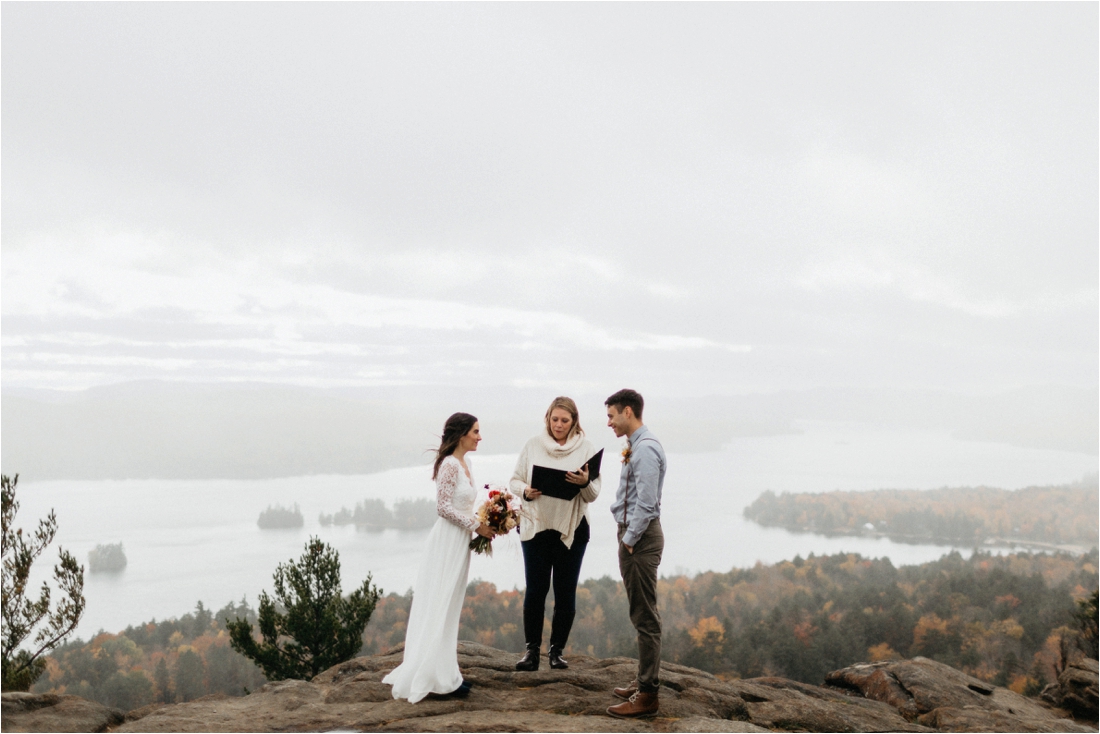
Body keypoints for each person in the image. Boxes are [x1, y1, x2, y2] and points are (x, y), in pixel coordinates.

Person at [382, 413, 495, 702]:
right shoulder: (448, 465)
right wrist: (475, 525)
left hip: (460, 541)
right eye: (476, 432)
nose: (480, 437)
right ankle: (432, 678)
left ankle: (447, 674)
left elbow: (464, 504)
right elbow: (443, 508)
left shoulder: (466, 463)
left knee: (451, 606)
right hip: (446, 541)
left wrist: (491, 517)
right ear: (461, 435)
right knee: (440, 604)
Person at [509, 396, 601, 671]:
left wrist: (585, 482)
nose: (559, 425)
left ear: (574, 421)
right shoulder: (533, 445)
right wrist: (525, 490)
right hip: (536, 526)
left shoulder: (586, 448)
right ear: (547, 418)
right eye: (554, 419)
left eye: (565, 420)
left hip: (572, 529)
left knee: (565, 591)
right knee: (536, 591)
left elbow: (593, 494)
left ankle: (556, 652)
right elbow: (514, 480)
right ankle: (531, 652)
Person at [604, 389, 666, 719]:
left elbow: (647, 503)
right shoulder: (636, 446)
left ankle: (648, 695)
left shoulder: (645, 450)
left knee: (645, 616)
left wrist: (628, 539)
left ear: (628, 412)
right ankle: (644, 681)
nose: (609, 422)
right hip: (634, 536)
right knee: (639, 611)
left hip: (639, 539)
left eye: (612, 415)